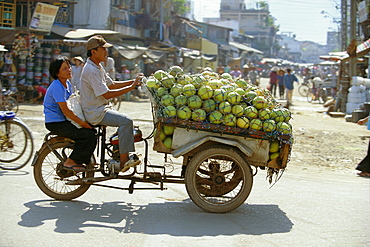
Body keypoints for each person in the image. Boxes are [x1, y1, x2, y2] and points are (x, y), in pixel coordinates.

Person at [80, 35, 143, 173]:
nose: (106, 52)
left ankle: (117, 152)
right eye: (103, 49)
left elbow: (112, 84)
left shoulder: (97, 67)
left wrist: (133, 82)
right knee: (126, 121)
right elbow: (106, 94)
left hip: (101, 108)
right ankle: (123, 160)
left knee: (124, 122)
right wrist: (131, 87)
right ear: (93, 52)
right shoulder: (91, 70)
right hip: (95, 112)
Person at [43, 56, 97, 171]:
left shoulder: (67, 83)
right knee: (88, 135)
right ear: (57, 73)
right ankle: (70, 162)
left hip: (64, 120)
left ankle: (84, 160)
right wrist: (82, 123)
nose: (69, 70)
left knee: (92, 131)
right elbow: (66, 110)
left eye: (69, 67)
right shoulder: (57, 86)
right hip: (56, 123)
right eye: (64, 69)